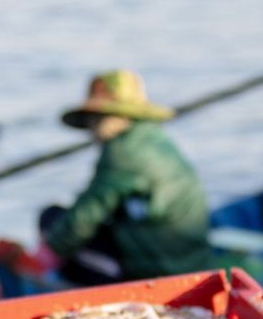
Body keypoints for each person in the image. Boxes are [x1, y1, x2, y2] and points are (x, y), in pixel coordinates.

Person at [40, 70, 210, 285]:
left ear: (112, 117)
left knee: (51, 219)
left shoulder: (122, 152)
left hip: (160, 268)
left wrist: (45, 255)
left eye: (95, 119)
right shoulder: (152, 138)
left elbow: (84, 217)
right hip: (190, 258)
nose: (92, 127)